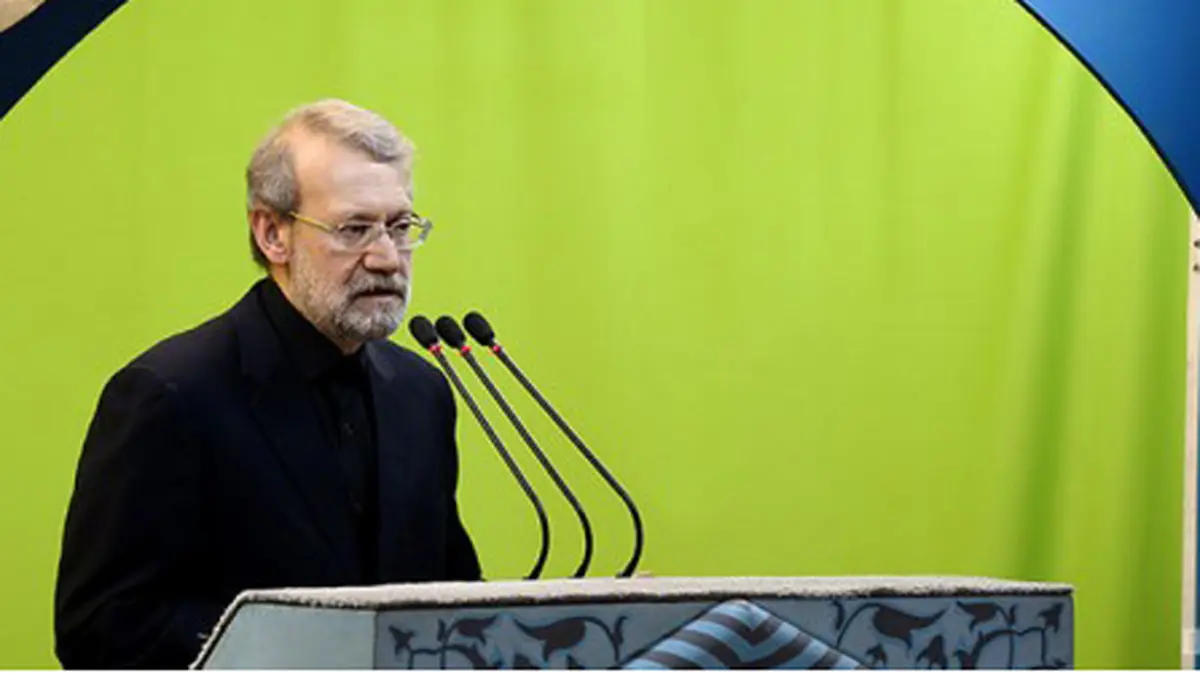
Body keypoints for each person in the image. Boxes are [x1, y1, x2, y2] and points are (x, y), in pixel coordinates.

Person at [54, 99, 481, 669]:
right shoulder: (171, 395)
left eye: (400, 227)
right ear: (273, 234)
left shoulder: (420, 393)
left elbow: (449, 591)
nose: (386, 257)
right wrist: (305, 654)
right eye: (354, 229)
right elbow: (102, 625)